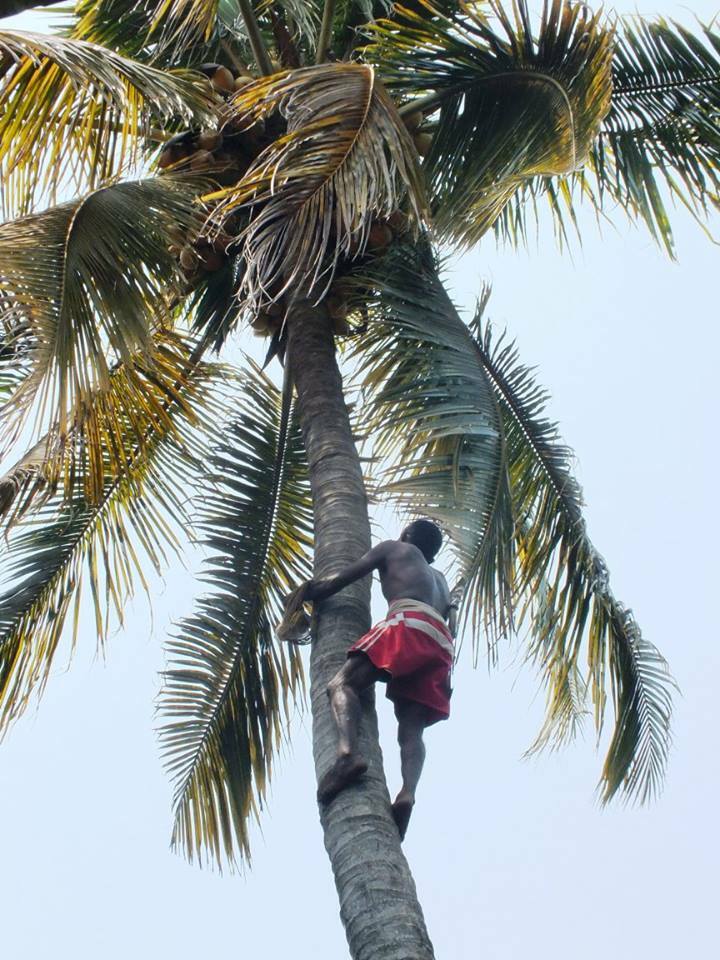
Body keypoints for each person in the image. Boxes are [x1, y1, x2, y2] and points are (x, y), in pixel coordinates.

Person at [282, 519, 457, 840]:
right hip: (442, 644)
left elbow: (339, 581)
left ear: (405, 536)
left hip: (408, 622)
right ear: (432, 556)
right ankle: (407, 793)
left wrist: (305, 593)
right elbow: (452, 623)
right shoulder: (442, 581)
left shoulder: (394, 548)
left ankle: (348, 755)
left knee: (341, 684)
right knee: (412, 729)